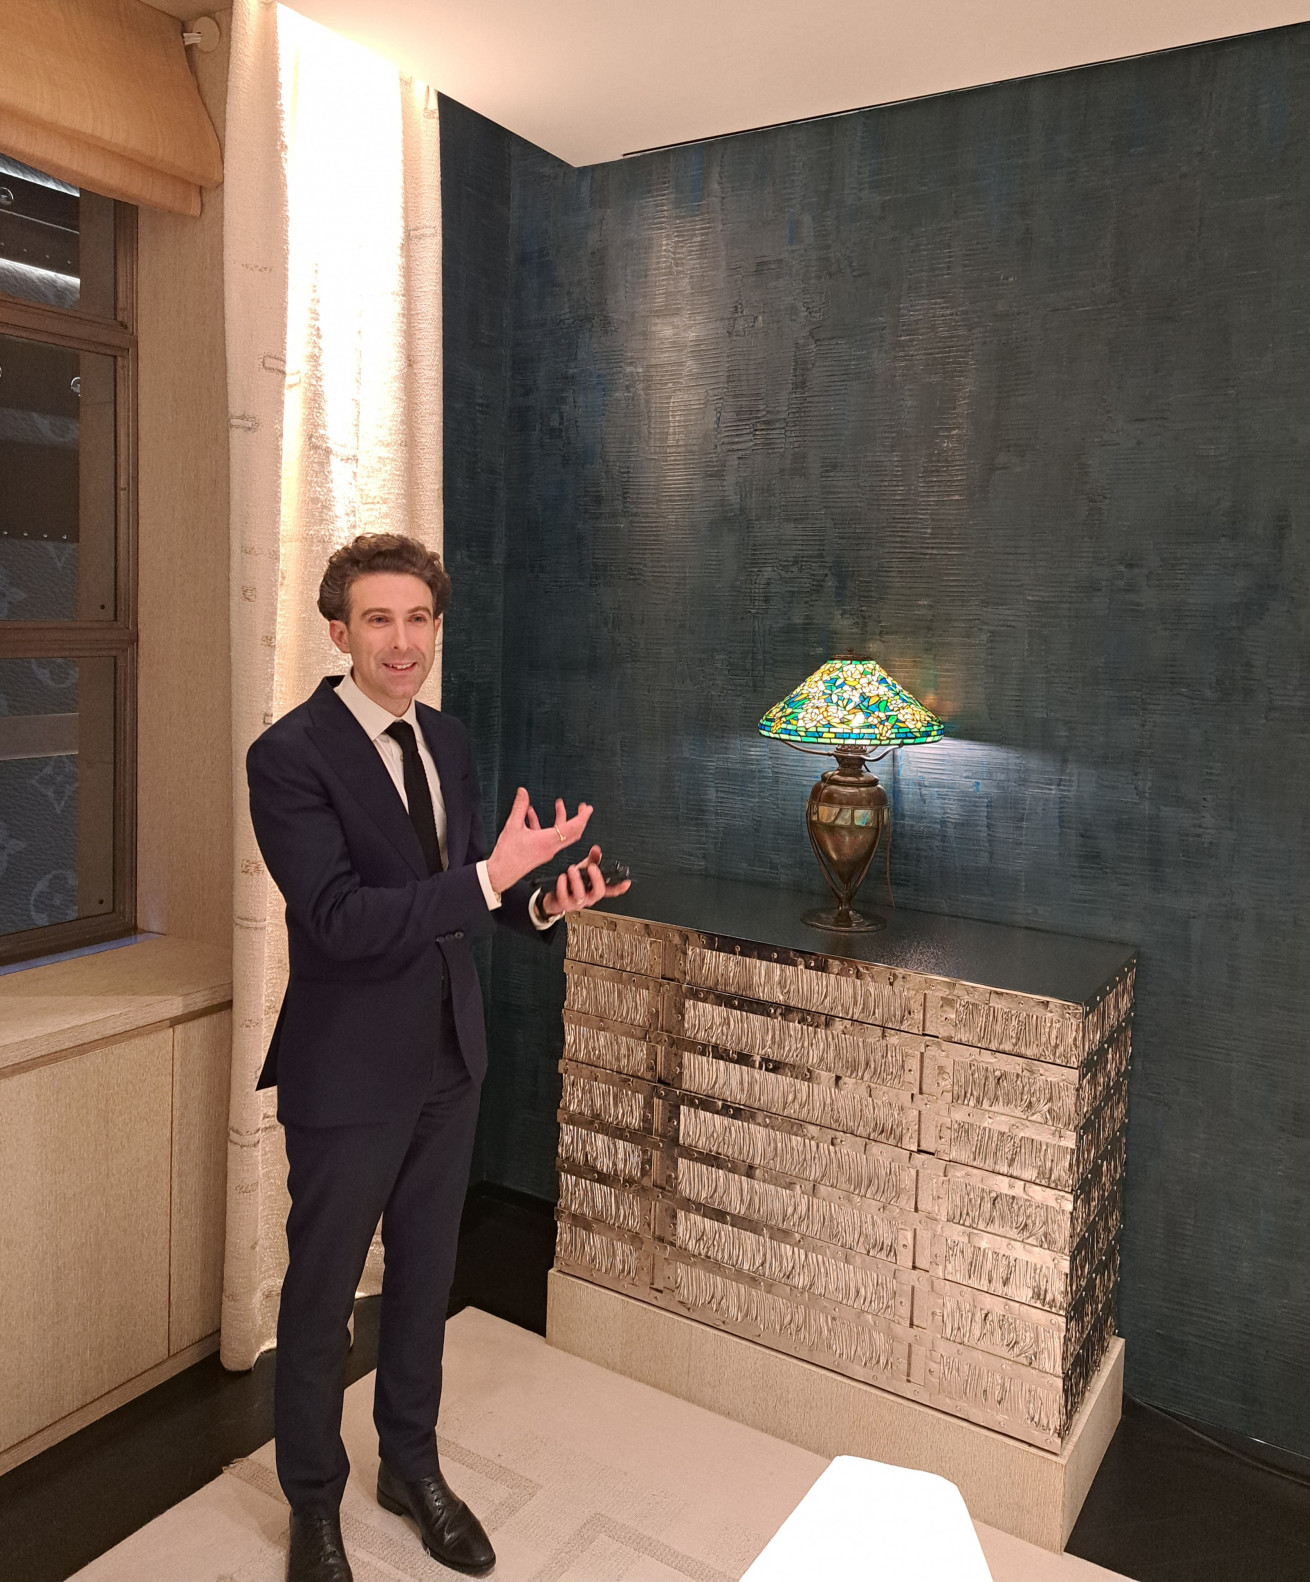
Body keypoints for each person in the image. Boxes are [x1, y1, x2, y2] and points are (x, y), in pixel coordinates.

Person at [246, 532, 628, 1582]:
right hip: (346, 1071)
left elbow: (462, 892)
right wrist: (490, 878)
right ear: (339, 632)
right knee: (323, 1298)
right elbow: (338, 919)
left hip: (450, 1058)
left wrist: (539, 900)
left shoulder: (447, 740)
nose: (403, 640)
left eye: (419, 619)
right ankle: (313, 1502)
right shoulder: (288, 756)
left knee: (424, 1279)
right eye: (379, 619)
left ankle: (409, 1466)